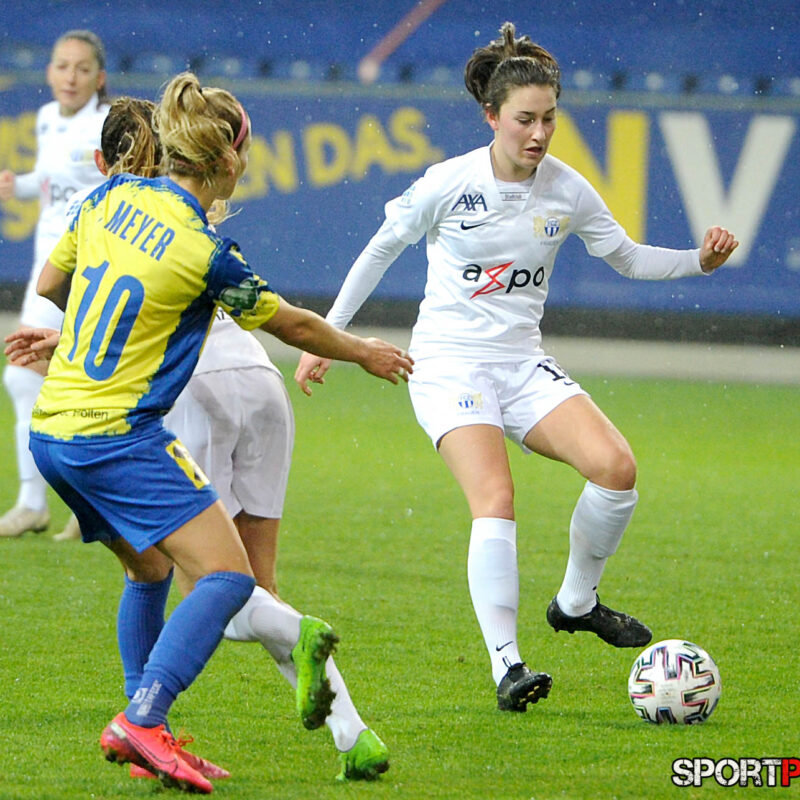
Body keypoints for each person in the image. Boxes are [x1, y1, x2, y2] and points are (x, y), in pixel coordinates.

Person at [296, 22, 739, 714]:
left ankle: (575, 602)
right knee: (496, 501)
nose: (539, 134)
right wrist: (330, 337)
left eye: (550, 119)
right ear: (492, 117)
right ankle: (508, 665)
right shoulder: (449, 184)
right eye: (525, 120)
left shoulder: (567, 190)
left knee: (617, 470)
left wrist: (698, 263)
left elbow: (626, 257)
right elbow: (380, 248)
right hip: (448, 366)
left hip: (523, 364)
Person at [26, 72, 411, 793]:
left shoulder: (109, 196)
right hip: (118, 435)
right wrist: (363, 350)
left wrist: (93, 337)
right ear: (227, 164)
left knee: (149, 570)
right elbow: (291, 324)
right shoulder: (207, 253)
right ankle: (144, 718)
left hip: (53, 432)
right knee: (231, 577)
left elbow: (51, 284)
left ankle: (147, 724)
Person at [0, 30, 110, 541]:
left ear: (99, 77)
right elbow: (49, 182)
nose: (70, 77)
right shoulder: (47, 119)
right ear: (49, 71)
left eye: (82, 68)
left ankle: (79, 501)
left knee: (58, 377)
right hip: (46, 265)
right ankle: (44, 503)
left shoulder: (107, 125)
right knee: (31, 375)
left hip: (84, 266)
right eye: (62, 66)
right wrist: (16, 185)